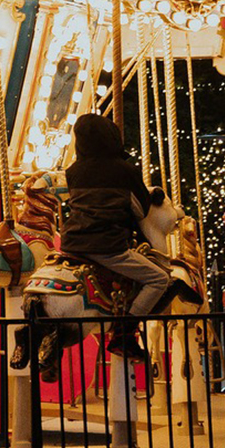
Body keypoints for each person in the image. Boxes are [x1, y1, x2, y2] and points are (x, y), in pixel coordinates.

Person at [59, 113, 174, 360]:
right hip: (106, 245)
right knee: (159, 279)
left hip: (71, 243)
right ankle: (125, 333)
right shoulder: (124, 170)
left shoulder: (73, 171)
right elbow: (140, 210)